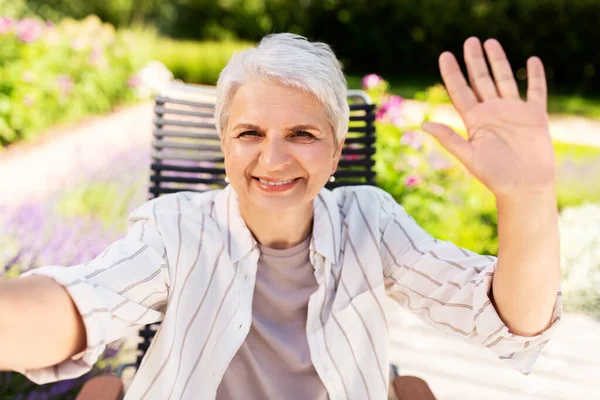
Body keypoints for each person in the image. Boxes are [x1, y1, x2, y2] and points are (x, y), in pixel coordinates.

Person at [0, 33, 562, 400]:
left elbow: (508, 319)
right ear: (225, 144)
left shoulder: (370, 221)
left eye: (302, 134)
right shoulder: (175, 228)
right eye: (250, 134)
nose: (272, 159)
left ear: (337, 151)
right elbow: (80, 305)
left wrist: (529, 196)